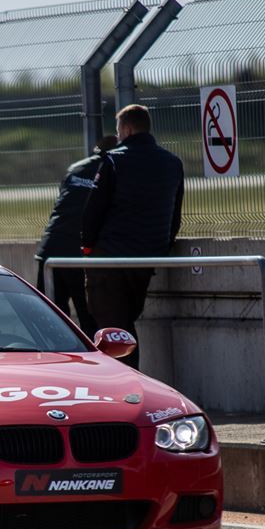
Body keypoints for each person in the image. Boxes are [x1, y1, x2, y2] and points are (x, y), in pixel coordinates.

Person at [82, 104, 184, 370]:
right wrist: (161, 248)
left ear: (126, 129)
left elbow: (94, 210)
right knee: (126, 321)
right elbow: (175, 216)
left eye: (118, 130)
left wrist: (88, 247)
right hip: (147, 258)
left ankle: (124, 384)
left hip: (111, 259)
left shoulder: (114, 160)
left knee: (113, 329)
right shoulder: (173, 162)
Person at [35, 135, 117, 337]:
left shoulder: (75, 168)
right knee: (89, 320)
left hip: (51, 249)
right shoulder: (113, 169)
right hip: (79, 252)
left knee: (49, 322)